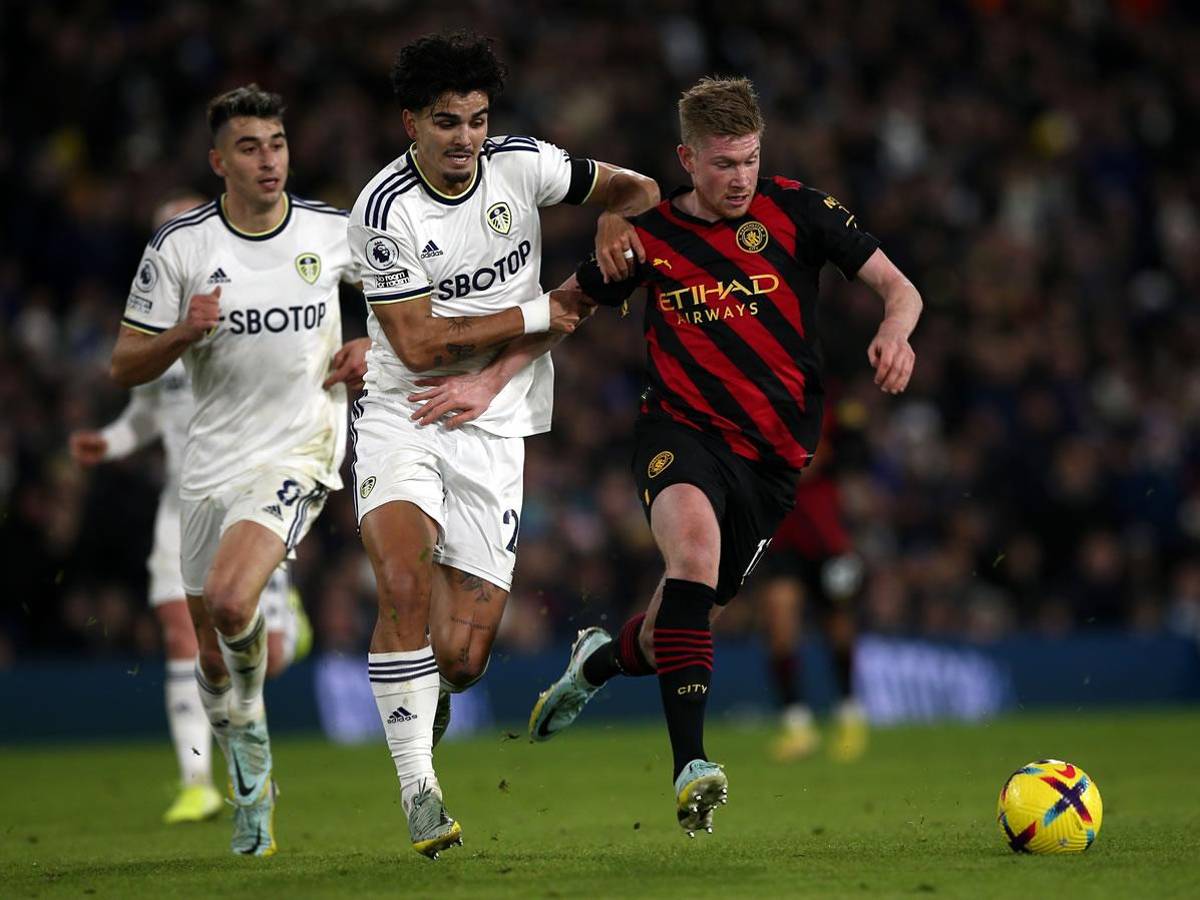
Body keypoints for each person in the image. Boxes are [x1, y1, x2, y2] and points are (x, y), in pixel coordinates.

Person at [526, 76, 922, 836]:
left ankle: (599, 664)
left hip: (775, 463)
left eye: (748, 160)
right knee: (693, 561)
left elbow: (900, 288)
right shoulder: (649, 238)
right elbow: (564, 306)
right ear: (687, 159)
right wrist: (483, 376)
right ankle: (690, 769)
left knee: (684, 615)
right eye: (721, 164)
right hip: (679, 432)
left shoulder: (800, 210)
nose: (738, 177)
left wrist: (897, 330)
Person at [346, 31, 659, 859]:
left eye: (478, 121)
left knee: (465, 657)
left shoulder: (525, 166)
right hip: (404, 411)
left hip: (495, 420)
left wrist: (610, 221)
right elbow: (415, 345)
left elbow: (644, 187)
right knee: (404, 580)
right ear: (410, 122)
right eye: (446, 123)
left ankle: (427, 693)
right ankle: (419, 789)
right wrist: (535, 312)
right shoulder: (383, 213)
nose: (464, 141)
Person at [109, 85, 367, 857]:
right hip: (209, 464)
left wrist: (373, 349)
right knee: (210, 660)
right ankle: (245, 748)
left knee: (228, 599)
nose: (269, 159)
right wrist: (182, 333)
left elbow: (406, 302)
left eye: (278, 143)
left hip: (300, 450)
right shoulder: (183, 247)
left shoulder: (330, 229)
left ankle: (252, 761)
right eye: (250, 147)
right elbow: (124, 363)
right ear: (218, 161)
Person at [70, 194, 312, 825]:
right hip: (180, 509)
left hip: (248, 501)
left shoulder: (256, 311)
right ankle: (199, 779)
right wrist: (112, 441)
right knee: (185, 640)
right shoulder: (152, 336)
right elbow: (143, 419)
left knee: (263, 650)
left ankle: (291, 633)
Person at [752, 421, 869, 763]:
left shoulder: (822, 407)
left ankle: (849, 713)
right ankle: (796, 723)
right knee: (779, 622)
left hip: (827, 540)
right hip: (782, 540)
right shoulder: (758, 406)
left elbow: (810, 462)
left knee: (839, 628)